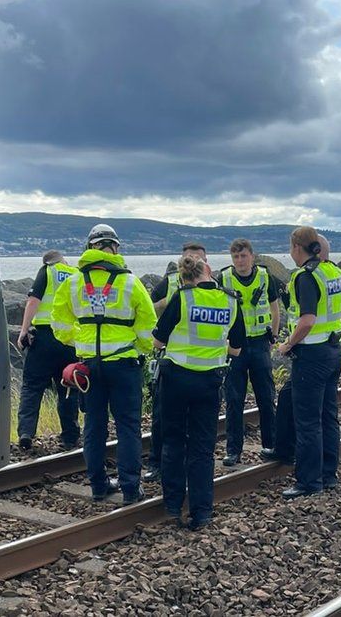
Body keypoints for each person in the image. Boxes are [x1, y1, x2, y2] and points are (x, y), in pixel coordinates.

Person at [52, 224, 156, 505]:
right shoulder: (130, 282)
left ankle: (98, 486)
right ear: (115, 248)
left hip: (88, 367)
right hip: (124, 364)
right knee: (128, 426)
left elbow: (59, 324)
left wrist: (81, 340)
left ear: (90, 248)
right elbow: (148, 327)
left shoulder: (72, 283)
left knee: (94, 426)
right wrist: (139, 347)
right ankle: (131, 488)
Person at [153, 254, 245, 530]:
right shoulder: (230, 300)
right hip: (210, 382)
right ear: (208, 272)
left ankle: (172, 505)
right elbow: (237, 348)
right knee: (203, 448)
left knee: (173, 441)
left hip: (177, 380)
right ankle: (202, 512)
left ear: (184, 276)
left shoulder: (182, 297)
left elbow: (158, 340)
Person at [277, 226, 341, 499]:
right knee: (327, 415)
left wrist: (288, 344)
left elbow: (307, 320)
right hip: (333, 351)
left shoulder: (305, 277)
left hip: (310, 356)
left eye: (290, 247)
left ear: (297, 248)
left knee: (308, 421)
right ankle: (328, 474)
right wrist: (330, 328)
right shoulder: (333, 273)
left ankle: (309, 482)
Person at [144, 242, 209, 483]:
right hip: (171, 360)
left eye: (197, 258)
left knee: (197, 423)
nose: (191, 261)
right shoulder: (169, 283)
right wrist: (167, 304)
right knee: (162, 417)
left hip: (203, 364)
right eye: (188, 257)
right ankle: (156, 463)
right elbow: (148, 308)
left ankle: (188, 466)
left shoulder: (216, 290)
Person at [219, 238, 283, 466]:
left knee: (266, 396)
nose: (240, 261)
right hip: (235, 348)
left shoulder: (265, 277)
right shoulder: (224, 278)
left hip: (259, 345)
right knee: (234, 400)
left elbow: (276, 309)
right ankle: (233, 450)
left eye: (243, 256)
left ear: (252, 256)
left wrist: (273, 336)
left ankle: (271, 444)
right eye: (236, 257)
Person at [15, 250, 81, 450]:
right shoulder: (76, 275)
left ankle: (26, 432)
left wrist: (24, 330)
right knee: (68, 388)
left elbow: (33, 301)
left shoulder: (47, 271)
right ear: (63, 260)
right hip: (69, 340)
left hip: (44, 337)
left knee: (32, 387)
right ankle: (70, 436)